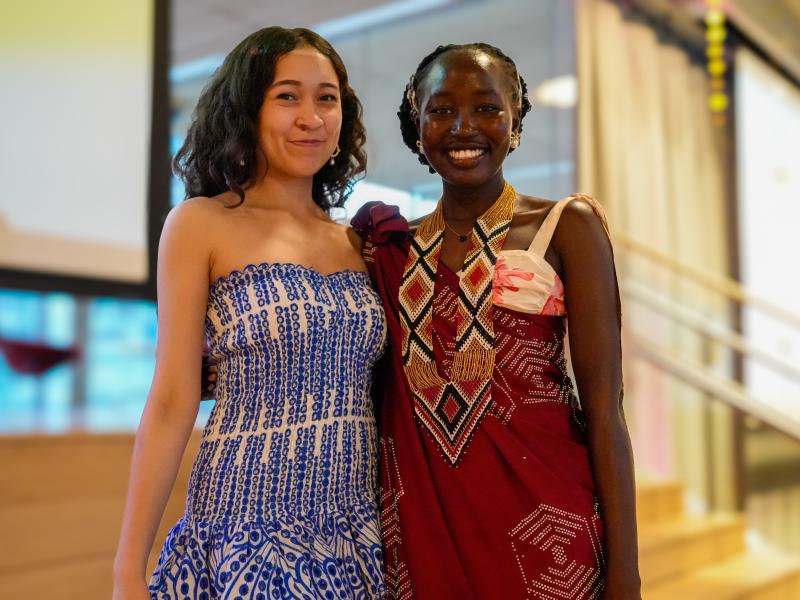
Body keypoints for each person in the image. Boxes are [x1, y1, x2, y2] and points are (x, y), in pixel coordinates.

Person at [352, 43, 641, 599]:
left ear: (515, 121)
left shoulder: (567, 227)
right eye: (441, 110)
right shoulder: (386, 246)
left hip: (550, 526)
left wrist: (625, 577)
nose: (463, 127)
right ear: (417, 124)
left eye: (486, 108)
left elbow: (606, 412)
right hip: (422, 534)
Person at [113, 27, 386, 600]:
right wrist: (128, 571)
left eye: (326, 97)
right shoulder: (201, 223)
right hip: (243, 534)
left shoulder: (358, 242)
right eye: (287, 96)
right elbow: (170, 401)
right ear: (248, 111)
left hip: (358, 534)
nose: (310, 116)